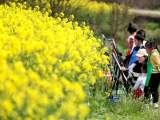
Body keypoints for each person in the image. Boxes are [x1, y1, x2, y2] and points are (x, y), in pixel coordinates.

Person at [144, 40, 160, 108]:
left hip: (155, 75)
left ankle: (154, 103)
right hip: (150, 74)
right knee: (147, 88)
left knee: (153, 89)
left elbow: (159, 64)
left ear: (151, 48)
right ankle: (148, 103)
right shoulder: (151, 54)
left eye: (146, 48)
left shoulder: (154, 54)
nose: (146, 50)